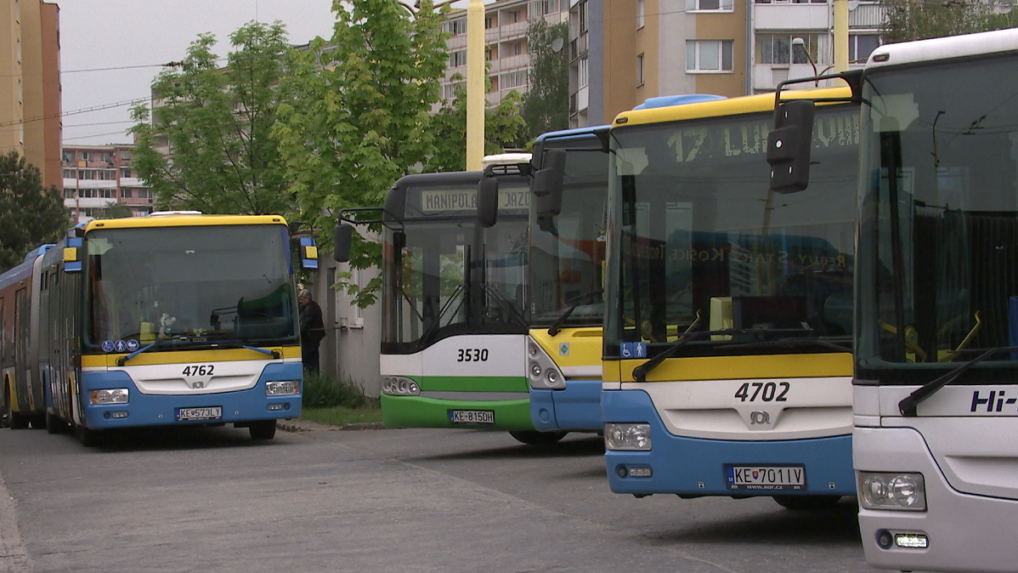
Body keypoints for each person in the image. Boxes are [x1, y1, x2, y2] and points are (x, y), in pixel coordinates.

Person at [298, 288, 325, 374]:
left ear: (307, 298)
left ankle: (312, 376)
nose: (300, 301)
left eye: (301, 299)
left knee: (310, 360)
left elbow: (305, 323)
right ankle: (312, 376)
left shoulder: (311, 308)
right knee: (310, 360)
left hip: (311, 338)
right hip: (310, 338)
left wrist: (298, 332)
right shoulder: (306, 307)